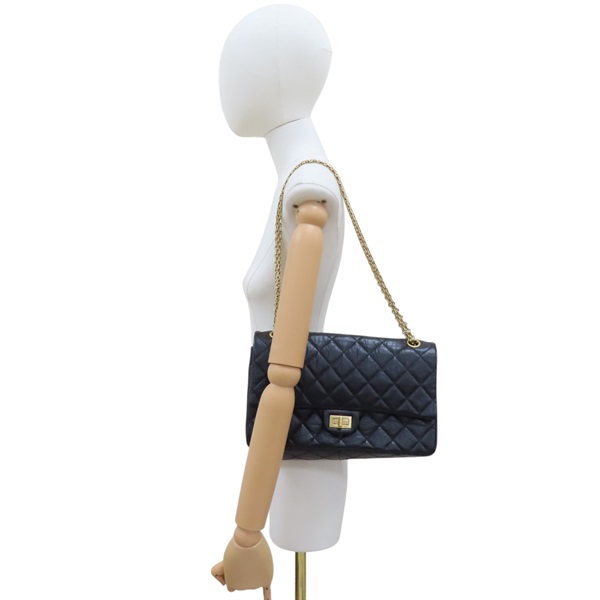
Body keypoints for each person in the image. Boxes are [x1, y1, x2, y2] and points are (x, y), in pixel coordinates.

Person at [212, 5, 348, 598]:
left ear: (274, 71)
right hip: (287, 443)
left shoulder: (307, 189)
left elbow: (285, 374)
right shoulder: (299, 178)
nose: (223, 82)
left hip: (297, 447)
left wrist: (247, 532)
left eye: (233, 62)